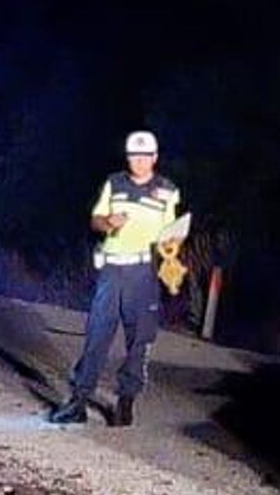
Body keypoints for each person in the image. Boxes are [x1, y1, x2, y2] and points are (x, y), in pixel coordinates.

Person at [48, 131, 185, 427]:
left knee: (140, 339)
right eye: (134, 156)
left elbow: (170, 233)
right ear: (128, 157)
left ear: (154, 158)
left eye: (145, 156)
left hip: (143, 270)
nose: (139, 161)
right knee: (97, 334)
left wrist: (171, 251)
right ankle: (79, 401)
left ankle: (126, 402)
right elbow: (96, 219)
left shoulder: (167, 190)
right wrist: (107, 222)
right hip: (112, 269)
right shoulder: (115, 183)